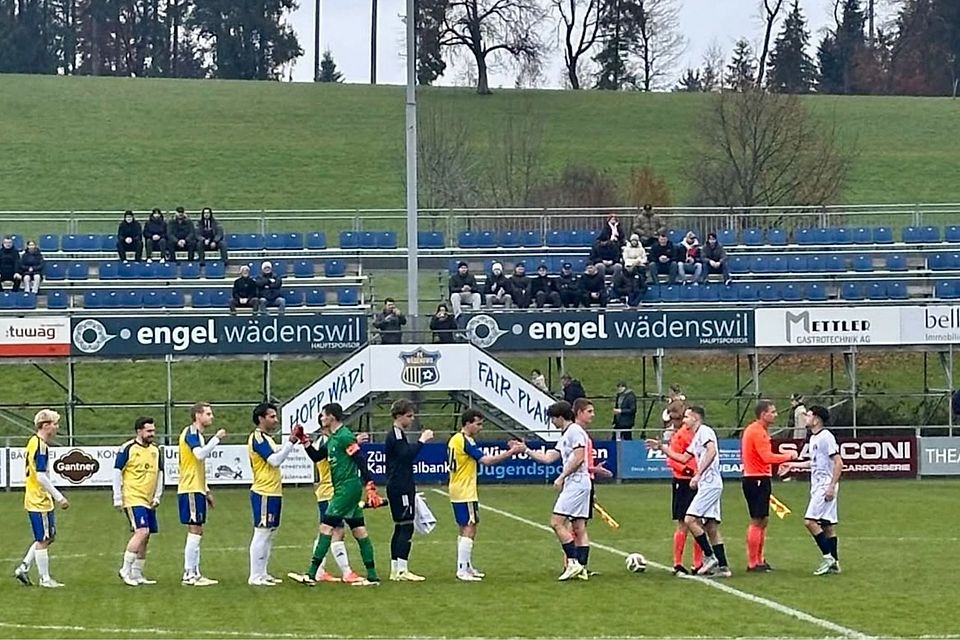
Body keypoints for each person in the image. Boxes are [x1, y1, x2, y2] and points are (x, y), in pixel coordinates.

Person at [292, 403, 382, 586]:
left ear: (332, 417)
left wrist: (370, 485)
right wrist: (304, 441)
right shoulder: (333, 439)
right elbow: (317, 457)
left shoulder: (344, 436)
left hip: (346, 490)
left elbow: (360, 459)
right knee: (359, 531)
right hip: (344, 489)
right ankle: (372, 575)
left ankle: (312, 573)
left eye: (323, 416)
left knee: (326, 528)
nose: (321, 419)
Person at [647, 406, 731, 577]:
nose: (684, 420)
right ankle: (723, 567)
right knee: (711, 526)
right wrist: (662, 448)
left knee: (690, 519)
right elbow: (684, 458)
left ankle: (709, 556)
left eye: (686, 417)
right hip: (709, 484)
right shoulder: (697, 437)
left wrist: (699, 474)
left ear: (695, 418)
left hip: (710, 484)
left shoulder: (705, 431)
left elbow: (712, 451)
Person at [446, 409, 524, 581]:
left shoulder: (456, 439)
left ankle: (466, 566)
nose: (480, 428)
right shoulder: (464, 440)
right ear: (467, 423)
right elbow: (487, 461)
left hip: (457, 488)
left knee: (464, 527)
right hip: (465, 490)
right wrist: (511, 453)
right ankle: (462, 569)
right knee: (470, 526)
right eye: (478, 424)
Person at [520, 400, 594, 581]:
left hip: (576, 483)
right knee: (578, 526)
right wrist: (526, 450)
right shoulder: (567, 434)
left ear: (560, 417)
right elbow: (548, 457)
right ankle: (581, 568)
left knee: (556, 522)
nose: (552, 422)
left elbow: (578, 458)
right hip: (578, 483)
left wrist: (561, 477)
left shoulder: (575, 431)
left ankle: (573, 563)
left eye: (553, 419)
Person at [778, 405, 842, 576]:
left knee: (810, 521)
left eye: (808, 415)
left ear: (817, 419)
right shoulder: (814, 438)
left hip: (825, 485)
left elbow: (838, 462)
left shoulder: (825, 437)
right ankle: (835, 564)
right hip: (818, 485)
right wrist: (791, 465)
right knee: (827, 525)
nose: (806, 417)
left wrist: (831, 486)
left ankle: (828, 557)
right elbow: (813, 463)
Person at [301, 419, 366, 584]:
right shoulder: (328, 441)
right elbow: (322, 456)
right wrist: (352, 444)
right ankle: (341, 572)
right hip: (331, 492)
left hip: (332, 491)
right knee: (333, 531)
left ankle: (321, 571)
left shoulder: (332, 440)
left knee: (331, 530)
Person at [247, 403, 305, 586]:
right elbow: (274, 460)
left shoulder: (266, 438)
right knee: (262, 532)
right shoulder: (258, 438)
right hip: (263, 491)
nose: (276, 420)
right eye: (272, 416)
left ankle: (263, 573)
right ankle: (255, 576)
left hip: (273, 491)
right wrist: (291, 442)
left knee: (270, 533)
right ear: (261, 418)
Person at [14, 409, 69, 588]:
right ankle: (45, 579)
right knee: (44, 539)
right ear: (45, 426)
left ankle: (24, 567)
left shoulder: (33, 442)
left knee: (47, 537)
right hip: (39, 498)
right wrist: (59, 497)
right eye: (54, 424)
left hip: (36, 496)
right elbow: (41, 476)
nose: (57, 427)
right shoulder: (42, 446)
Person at [741, 400, 799, 572]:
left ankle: (759, 559)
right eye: (772, 412)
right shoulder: (757, 432)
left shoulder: (758, 431)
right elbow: (766, 457)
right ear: (763, 414)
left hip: (759, 477)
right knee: (757, 520)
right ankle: (753, 562)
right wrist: (788, 456)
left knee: (763, 520)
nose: (775, 414)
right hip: (756, 479)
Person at [177, 402, 226, 586]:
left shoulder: (197, 435)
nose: (211, 417)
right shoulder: (191, 433)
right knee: (195, 530)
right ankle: (189, 574)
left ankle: (195, 572)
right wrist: (217, 438)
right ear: (198, 415)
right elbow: (199, 455)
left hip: (196, 488)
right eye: (208, 413)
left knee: (198, 530)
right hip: (189, 488)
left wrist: (206, 491)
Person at [384, 399, 434, 581]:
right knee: (406, 526)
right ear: (399, 416)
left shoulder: (397, 434)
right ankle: (402, 569)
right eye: (409, 415)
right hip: (400, 485)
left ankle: (396, 569)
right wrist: (422, 440)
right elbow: (406, 455)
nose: (412, 419)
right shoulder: (396, 435)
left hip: (398, 484)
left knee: (400, 527)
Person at [113, 416, 163, 587]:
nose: (152, 434)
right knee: (141, 531)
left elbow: (160, 473)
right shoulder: (128, 448)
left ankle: (137, 573)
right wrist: (117, 497)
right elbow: (117, 472)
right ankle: (125, 570)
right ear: (139, 431)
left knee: (146, 535)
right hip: (133, 497)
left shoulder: (156, 450)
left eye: (153, 431)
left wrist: (157, 496)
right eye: (149, 431)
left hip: (149, 500)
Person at [662, 398, 704, 575]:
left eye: (680, 419)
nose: (677, 423)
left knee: (698, 521)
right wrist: (688, 472)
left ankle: (698, 563)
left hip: (696, 480)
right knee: (683, 523)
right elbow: (672, 460)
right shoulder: (678, 436)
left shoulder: (697, 433)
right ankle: (678, 562)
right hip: (683, 481)